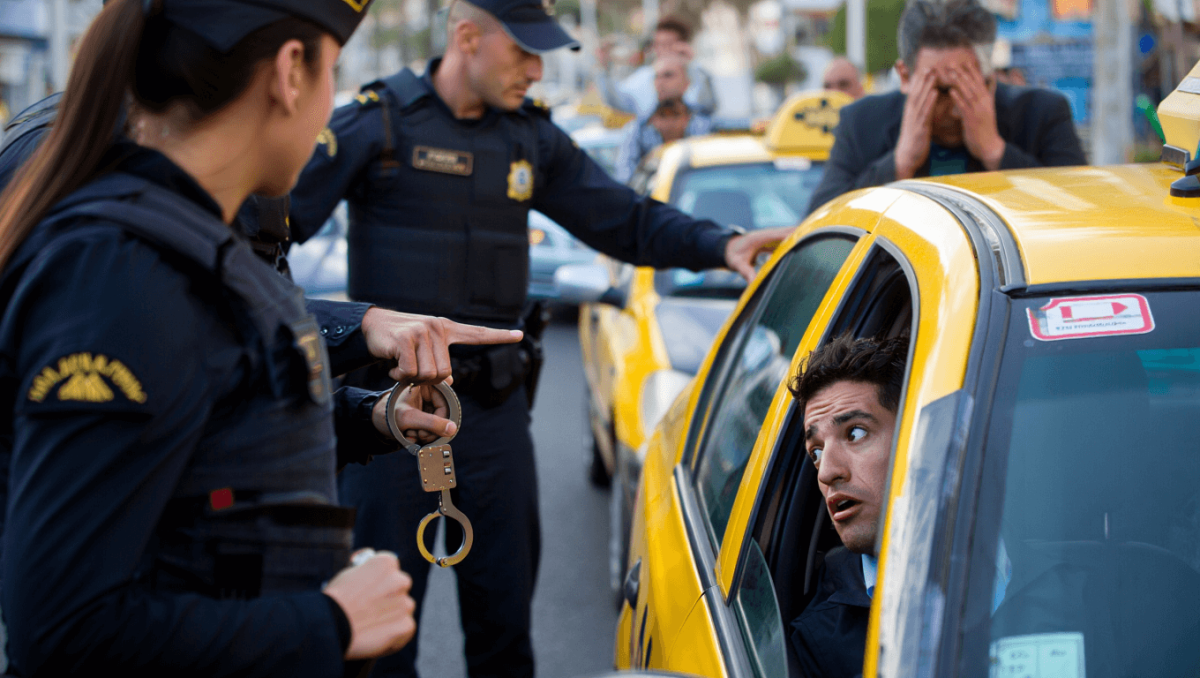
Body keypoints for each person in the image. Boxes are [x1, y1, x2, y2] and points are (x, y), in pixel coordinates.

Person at [0, 1, 512, 675]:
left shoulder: (192, 242)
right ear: (290, 73)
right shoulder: (124, 275)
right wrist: (329, 622)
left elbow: (197, 423)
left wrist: (370, 417)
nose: (332, 103)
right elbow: (64, 628)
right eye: (334, 70)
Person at [285, 2, 788, 676]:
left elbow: (625, 220)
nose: (538, 69)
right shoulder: (376, 121)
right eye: (523, 51)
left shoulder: (531, 140)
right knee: (377, 649)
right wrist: (345, 326)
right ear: (467, 38)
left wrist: (721, 245)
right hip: (386, 428)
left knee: (505, 641)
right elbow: (267, 239)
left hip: (493, 425)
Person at [805, 0, 1087, 216]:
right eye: (939, 91)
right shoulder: (861, 123)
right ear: (905, 76)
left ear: (989, 76)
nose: (955, 109)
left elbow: (1082, 213)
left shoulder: (1044, 114)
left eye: (969, 87)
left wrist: (996, 153)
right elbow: (820, 224)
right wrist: (899, 163)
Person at [786, 333, 908, 678]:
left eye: (855, 434)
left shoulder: (1057, 570)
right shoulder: (819, 643)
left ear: (917, 433)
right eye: (816, 453)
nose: (826, 472)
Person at [614, 55, 713, 182]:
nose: (660, 82)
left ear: (687, 82)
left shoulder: (706, 125)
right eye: (656, 77)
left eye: (668, 75)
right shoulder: (636, 130)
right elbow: (625, 181)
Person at [598, 15, 717, 117]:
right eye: (658, 44)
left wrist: (692, 64)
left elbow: (706, 106)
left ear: (682, 45)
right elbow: (619, 101)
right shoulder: (644, 76)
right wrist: (605, 67)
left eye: (668, 44)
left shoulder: (696, 74)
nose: (662, 50)